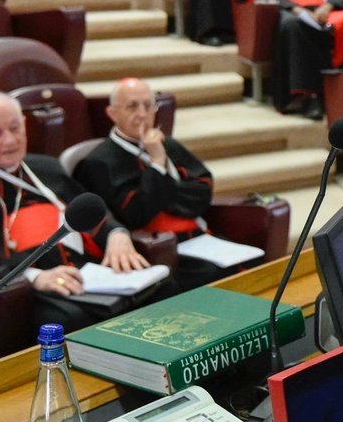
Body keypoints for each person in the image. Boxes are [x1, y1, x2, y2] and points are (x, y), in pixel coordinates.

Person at [0, 93, 154, 327]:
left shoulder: (46, 167)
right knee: (70, 320)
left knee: (159, 290)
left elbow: (87, 213)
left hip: (89, 277)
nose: (10, 140)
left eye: (15, 127)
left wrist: (117, 235)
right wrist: (34, 277)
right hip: (27, 291)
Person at [74, 77, 238, 292]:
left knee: (250, 265)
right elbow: (136, 214)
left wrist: (162, 195)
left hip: (197, 237)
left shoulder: (167, 143)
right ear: (112, 113)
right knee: (213, 276)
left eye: (148, 105)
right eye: (132, 106)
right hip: (157, 249)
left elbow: (203, 190)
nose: (142, 114)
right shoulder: (99, 161)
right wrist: (158, 164)